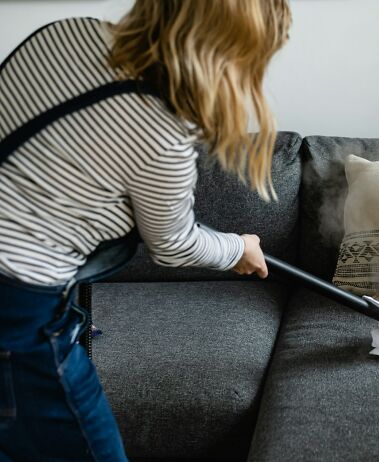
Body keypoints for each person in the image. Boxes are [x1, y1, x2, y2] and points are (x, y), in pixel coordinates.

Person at [0, 0, 291, 460]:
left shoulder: (66, 32)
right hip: (16, 302)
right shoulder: (163, 134)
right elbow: (173, 244)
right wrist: (239, 248)